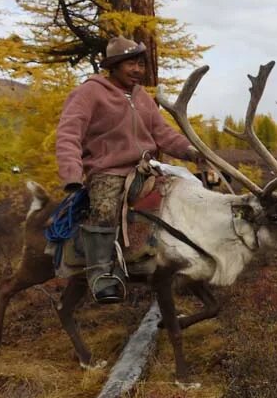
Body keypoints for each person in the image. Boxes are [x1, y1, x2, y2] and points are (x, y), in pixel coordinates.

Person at [55, 36, 202, 304]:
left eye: (140, 64)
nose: (137, 70)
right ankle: (101, 275)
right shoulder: (89, 92)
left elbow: (162, 133)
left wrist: (192, 153)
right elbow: (68, 134)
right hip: (108, 170)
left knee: (186, 192)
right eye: (130, 64)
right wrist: (72, 174)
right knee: (103, 210)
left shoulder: (141, 96)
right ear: (113, 65)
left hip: (146, 168)